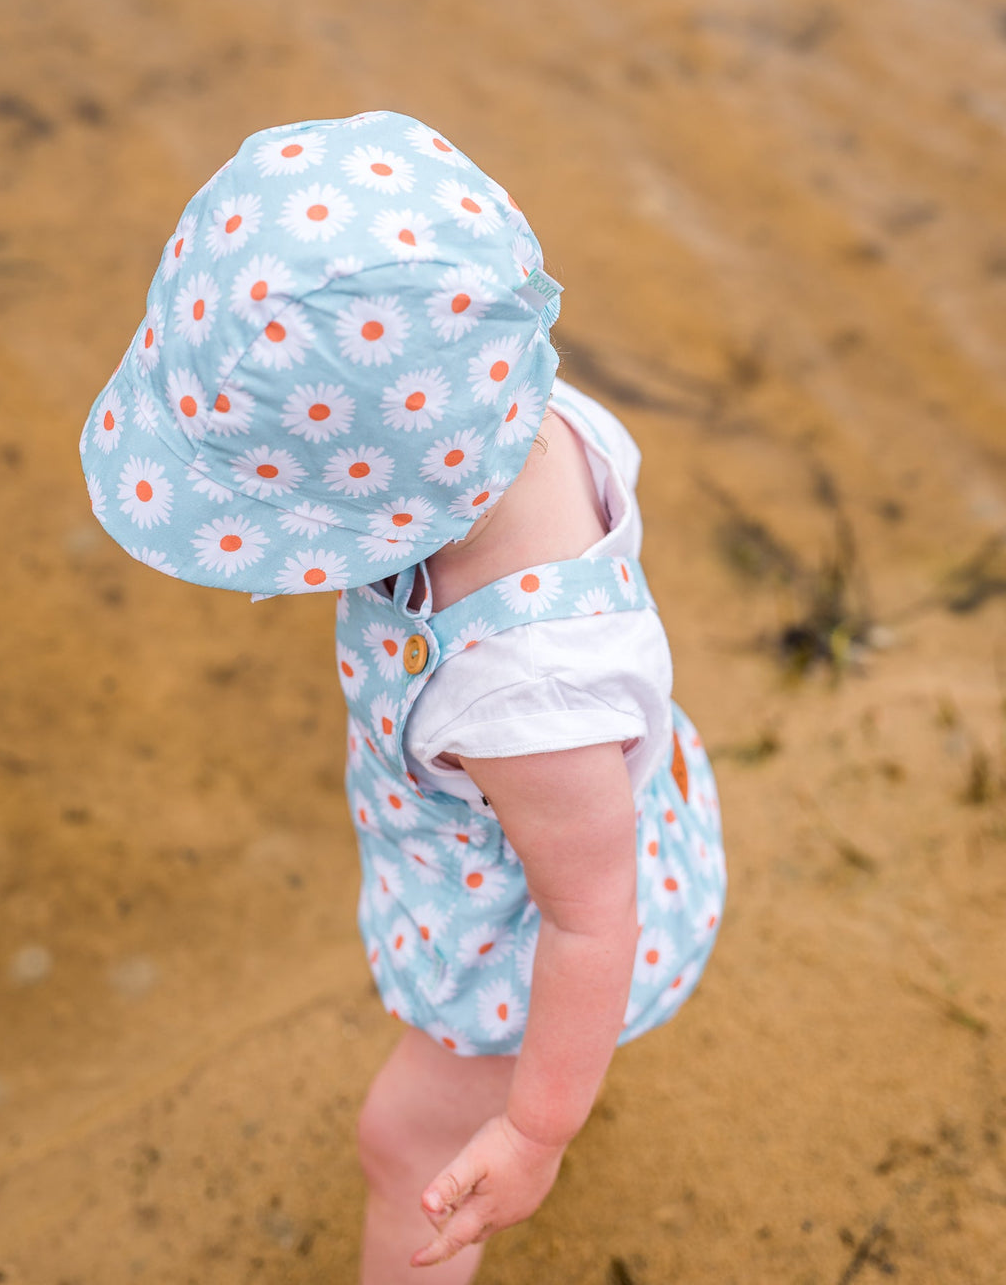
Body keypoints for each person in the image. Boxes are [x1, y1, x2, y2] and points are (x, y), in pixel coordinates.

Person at [80, 110, 726, 1282]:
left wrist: (534, 1131)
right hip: (540, 834)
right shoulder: (514, 410)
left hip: (519, 945)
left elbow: (589, 917)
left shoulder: (526, 689)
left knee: (406, 1150)